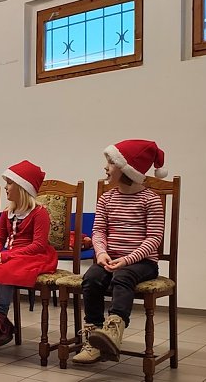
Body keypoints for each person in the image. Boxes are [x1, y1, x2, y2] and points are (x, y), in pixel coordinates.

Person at [73, 140, 167, 364]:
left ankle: (113, 331)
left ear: (127, 169)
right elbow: (98, 231)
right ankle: (94, 337)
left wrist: (127, 260)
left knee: (122, 277)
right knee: (92, 277)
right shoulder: (107, 198)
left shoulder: (151, 200)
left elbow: (154, 239)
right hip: (111, 259)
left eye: (110, 163)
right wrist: (101, 252)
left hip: (142, 262)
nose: (105, 167)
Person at [0, 160, 58, 347]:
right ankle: (1, 322)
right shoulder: (8, 212)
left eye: (9, 183)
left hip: (34, 255)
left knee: (8, 270)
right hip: (12, 254)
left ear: (22, 187)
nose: (6, 187)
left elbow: (39, 245)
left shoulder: (39, 213)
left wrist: (6, 256)